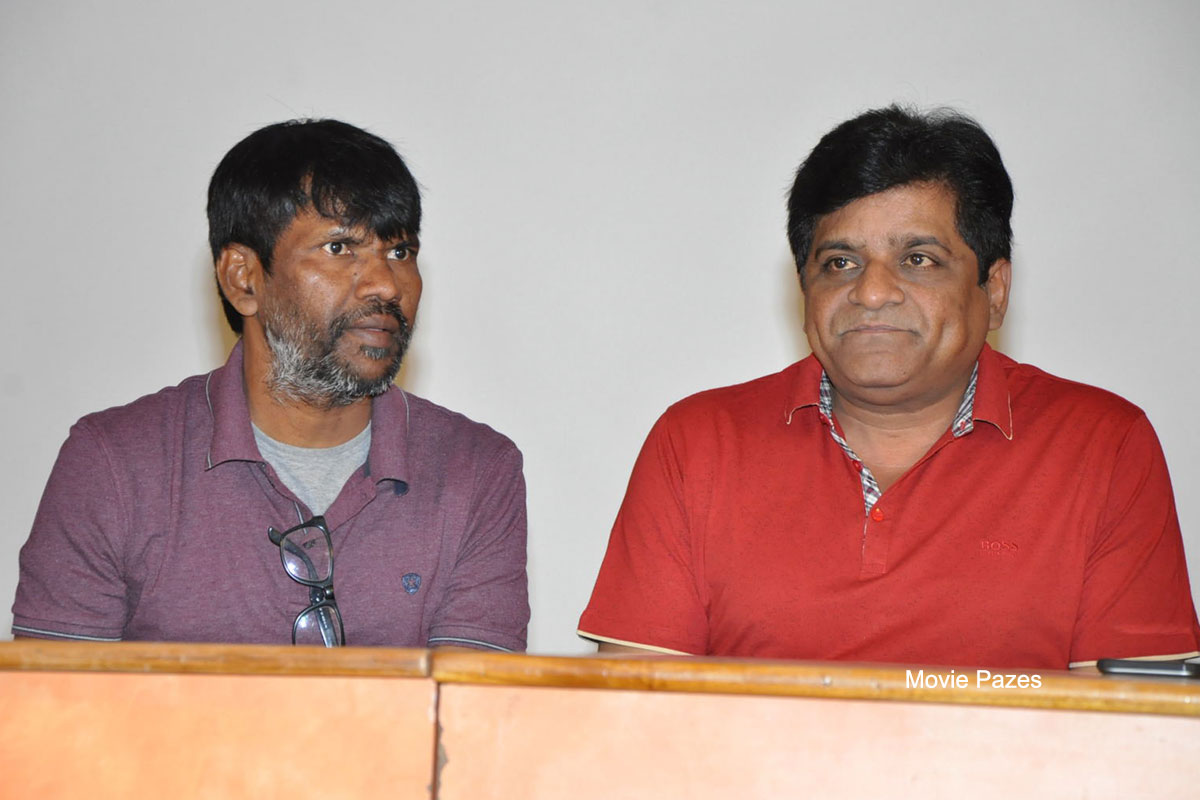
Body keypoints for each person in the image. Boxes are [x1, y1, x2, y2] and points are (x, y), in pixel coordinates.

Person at [578, 106, 1199, 669]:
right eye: (840, 263)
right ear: (805, 291)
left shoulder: (1102, 446)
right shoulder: (698, 444)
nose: (871, 292)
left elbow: (1132, 727)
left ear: (994, 290)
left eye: (918, 259)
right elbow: (636, 713)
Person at [13, 119, 529, 650]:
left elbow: (472, 702)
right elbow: (53, 697)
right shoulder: (114, 464)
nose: (386, 284)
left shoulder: (477, 470)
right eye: (339, 248)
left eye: (400, 252)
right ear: (243, 278)